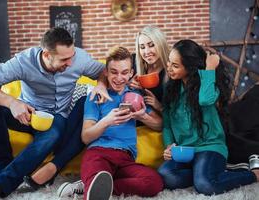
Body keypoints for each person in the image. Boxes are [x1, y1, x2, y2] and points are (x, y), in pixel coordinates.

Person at [0, 27, 108, 200]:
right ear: (46, 55)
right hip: (27, 112)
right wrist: (12, 102)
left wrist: (101, 85)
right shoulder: (24, 61)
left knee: (53, 134)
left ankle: (0, 184)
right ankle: (0, 166)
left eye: (72, 56)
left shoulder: (79, 58)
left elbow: (103, 71)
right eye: (64, 59)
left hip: (57, 116)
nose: (71, 63)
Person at [57, 46, 164, 200]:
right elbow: (86, 137)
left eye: (124, 73)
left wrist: (142, 117)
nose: (119, 78)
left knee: (154, 182)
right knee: (96, 181)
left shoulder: (134, 96)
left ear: (131, 73)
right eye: (114, 72)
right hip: (98, 154)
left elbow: (160, 124)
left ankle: (89, 186)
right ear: (105, 72)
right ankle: (93, 186)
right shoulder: (96, 96)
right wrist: (106, 121)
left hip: (125, 159)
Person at [158, 39, 259, 195]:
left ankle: (253, 174)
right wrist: (169, 146)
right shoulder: (171, 90)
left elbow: (205, 99)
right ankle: (210, 172)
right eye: (169, 63)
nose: (169, 69)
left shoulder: (208, 84)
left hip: (210, 147)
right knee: (167, 176)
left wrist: (210, 68)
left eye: (175, 66)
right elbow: (167, 125)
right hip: (186, 152)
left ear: (190, 68)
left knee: (206, 185)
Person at [129, 25, 169, 113]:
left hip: (157, 121)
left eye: (151, 45)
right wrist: (128, 83)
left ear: (161, 45)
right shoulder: (133, 62)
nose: (147, 52)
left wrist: (159, 106)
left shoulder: (171, 71)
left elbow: (177, 114)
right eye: (142, 47)